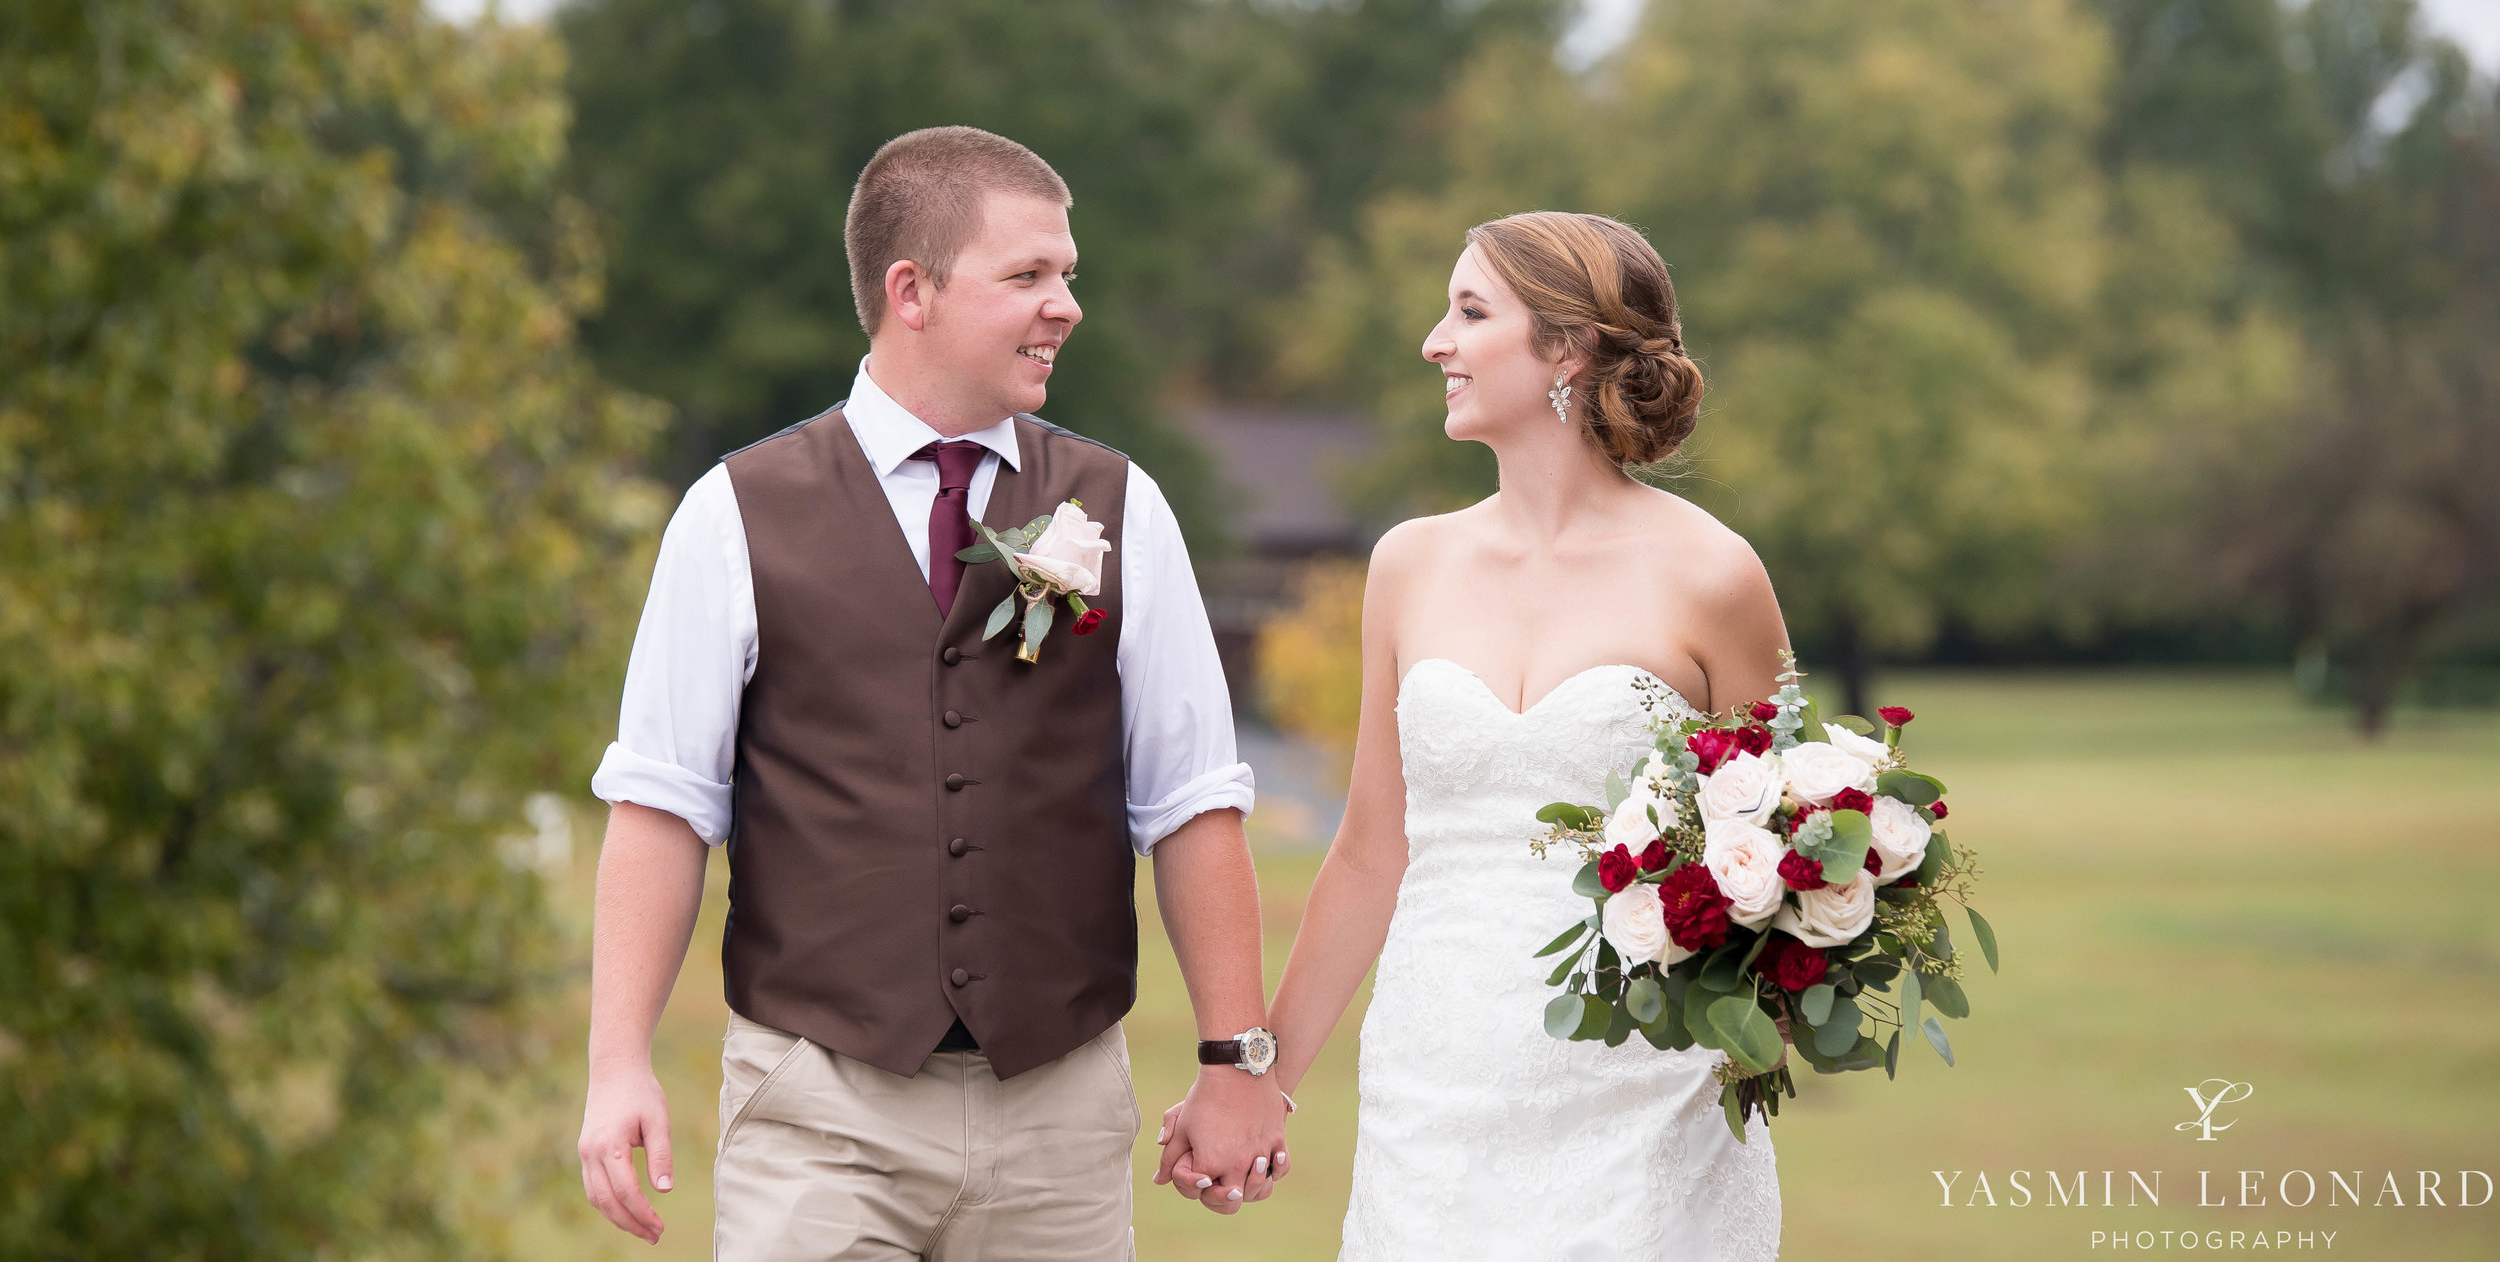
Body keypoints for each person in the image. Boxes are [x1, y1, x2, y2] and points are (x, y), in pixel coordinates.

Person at [576, 126, 1289, 1259]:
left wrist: (1232, 1059)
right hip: (819, 1108)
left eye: (1068, 274)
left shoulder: (1118, 504)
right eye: (1028, 276)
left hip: (1059, 1114)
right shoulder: (732, 512)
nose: (1067, 304)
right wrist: (618, 1062)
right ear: (911, 290)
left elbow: (1194, 798)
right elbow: (663, 802)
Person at [1163, 210, 1788, 1257]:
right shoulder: (1409, 564)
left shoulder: (1714, 574)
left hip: (1643, 1090)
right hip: (1431, 1083)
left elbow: (1780, 844)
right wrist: (1261, 1077)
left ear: (1567, 344)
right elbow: (1370, 849)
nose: (1433, 341)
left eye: (1468, 311)